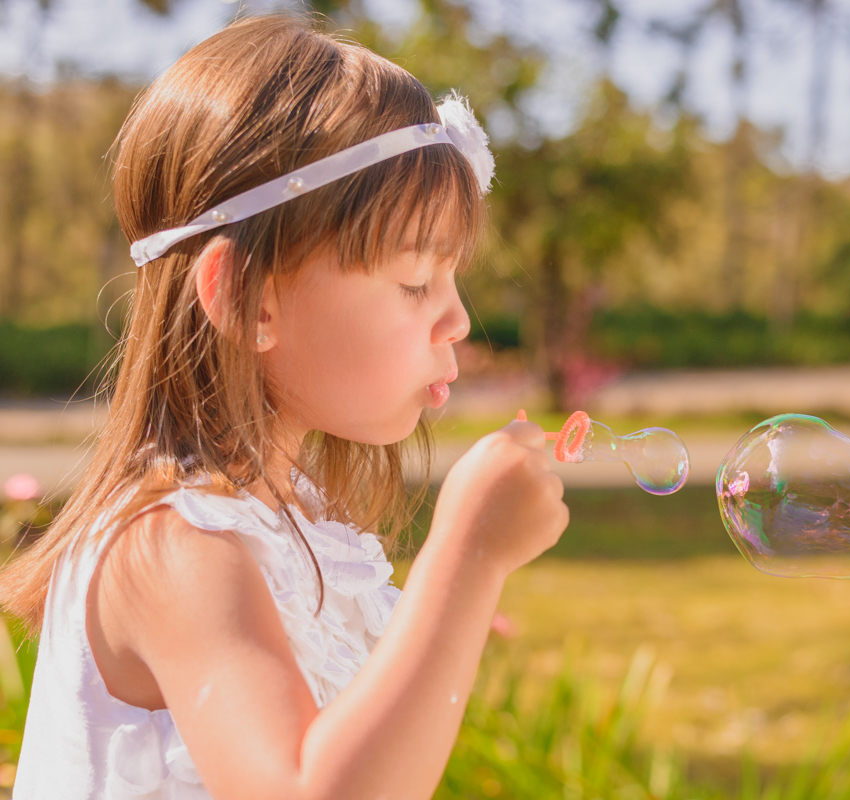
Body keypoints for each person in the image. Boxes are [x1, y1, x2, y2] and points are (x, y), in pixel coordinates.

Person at [0, 13, 569, 800]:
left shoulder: (282, 520)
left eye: (452, 278)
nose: (459, 319)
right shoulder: (174, 548)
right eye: (415, 283)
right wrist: (468, 557)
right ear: (246, 298)